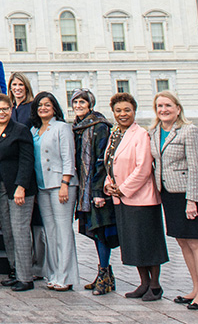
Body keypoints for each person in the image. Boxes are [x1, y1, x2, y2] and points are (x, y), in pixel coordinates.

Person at [150, 91, 198, 310]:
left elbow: (197, 167)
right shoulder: (155, 132)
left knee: (195, 242)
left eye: (167, 105)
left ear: (178, 108)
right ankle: (195, 288)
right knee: (182, 242)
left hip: (188, 194)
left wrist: (192, 200)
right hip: (168, 194)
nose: (163, 110)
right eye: (159, 106)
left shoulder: (189, 131)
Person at [105, 92, 167, 302]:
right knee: (133, 243)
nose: (123, 114)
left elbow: (143, 168)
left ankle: (155, 285)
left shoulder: (140, 134)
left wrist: (123, 188)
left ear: (134, 111)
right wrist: (110, 184)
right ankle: (143, 282)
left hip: (142, 198)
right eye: (118, 111)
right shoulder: (115, 134)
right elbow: (109, 163)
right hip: (122, 198)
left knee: (148, 242)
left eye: (127, 110)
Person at [29, 91, 78, 292]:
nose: (43, 108)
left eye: (47, 105)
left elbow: (69, 157)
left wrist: (65, 182)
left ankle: (66, 276)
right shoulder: (35, 130)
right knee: (50, 231)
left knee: (63, 230)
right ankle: (54, 272)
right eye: (40, 105)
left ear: (54, 107)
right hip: (42, 186)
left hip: (60, 184)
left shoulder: (62, 128)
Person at [70, 89, 117, 295]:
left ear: (90, 104)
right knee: (93, 230)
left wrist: (98, 191)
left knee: (100, 232)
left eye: (82, 102)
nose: (79, 105)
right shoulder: (78, 127)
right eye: (76, 102)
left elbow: (102, 161)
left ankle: (104, 275)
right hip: (84, 189)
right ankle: (105, 274)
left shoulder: (99, 126)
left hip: (96, 188)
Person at [0, 93, 37, 292]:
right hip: (0, 187)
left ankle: (26, 277)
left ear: (11, 109)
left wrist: (21, 187)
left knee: (20, 231)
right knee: (7, 231)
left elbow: (27, 161)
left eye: (5, 109)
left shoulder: (20, 130)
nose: (1, 112)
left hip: (19, 188)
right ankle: (14, 271)